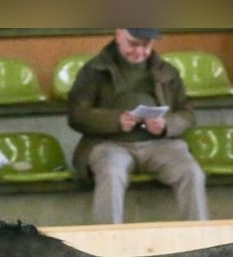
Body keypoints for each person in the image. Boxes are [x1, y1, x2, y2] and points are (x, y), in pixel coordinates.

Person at [67, 28, 208, 225]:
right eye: (133, 44)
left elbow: (187, 115)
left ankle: (199, 241)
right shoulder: (93, 71)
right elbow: (76, 115)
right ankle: (107, 243)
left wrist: (166, 125)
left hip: (160, 143)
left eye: (147, 45)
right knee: (111, 173)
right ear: (118, 35)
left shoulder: (167, 71)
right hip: (109, 143)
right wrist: (116, 120)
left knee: (191, 172)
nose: (140, 51)